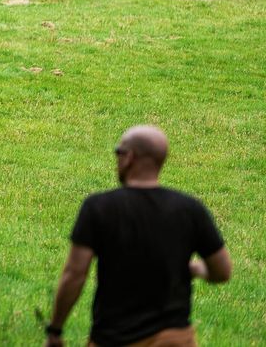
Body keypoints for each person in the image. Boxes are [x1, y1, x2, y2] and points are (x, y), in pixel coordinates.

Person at [43, 126, 231, 347]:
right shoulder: (190, 209)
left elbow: (75, 274)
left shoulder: (99, 207)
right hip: (174, 340)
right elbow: (222, 271)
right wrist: (196, 269)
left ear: (129, 157)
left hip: (114, 338)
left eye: (118, 152)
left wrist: (55, 329)